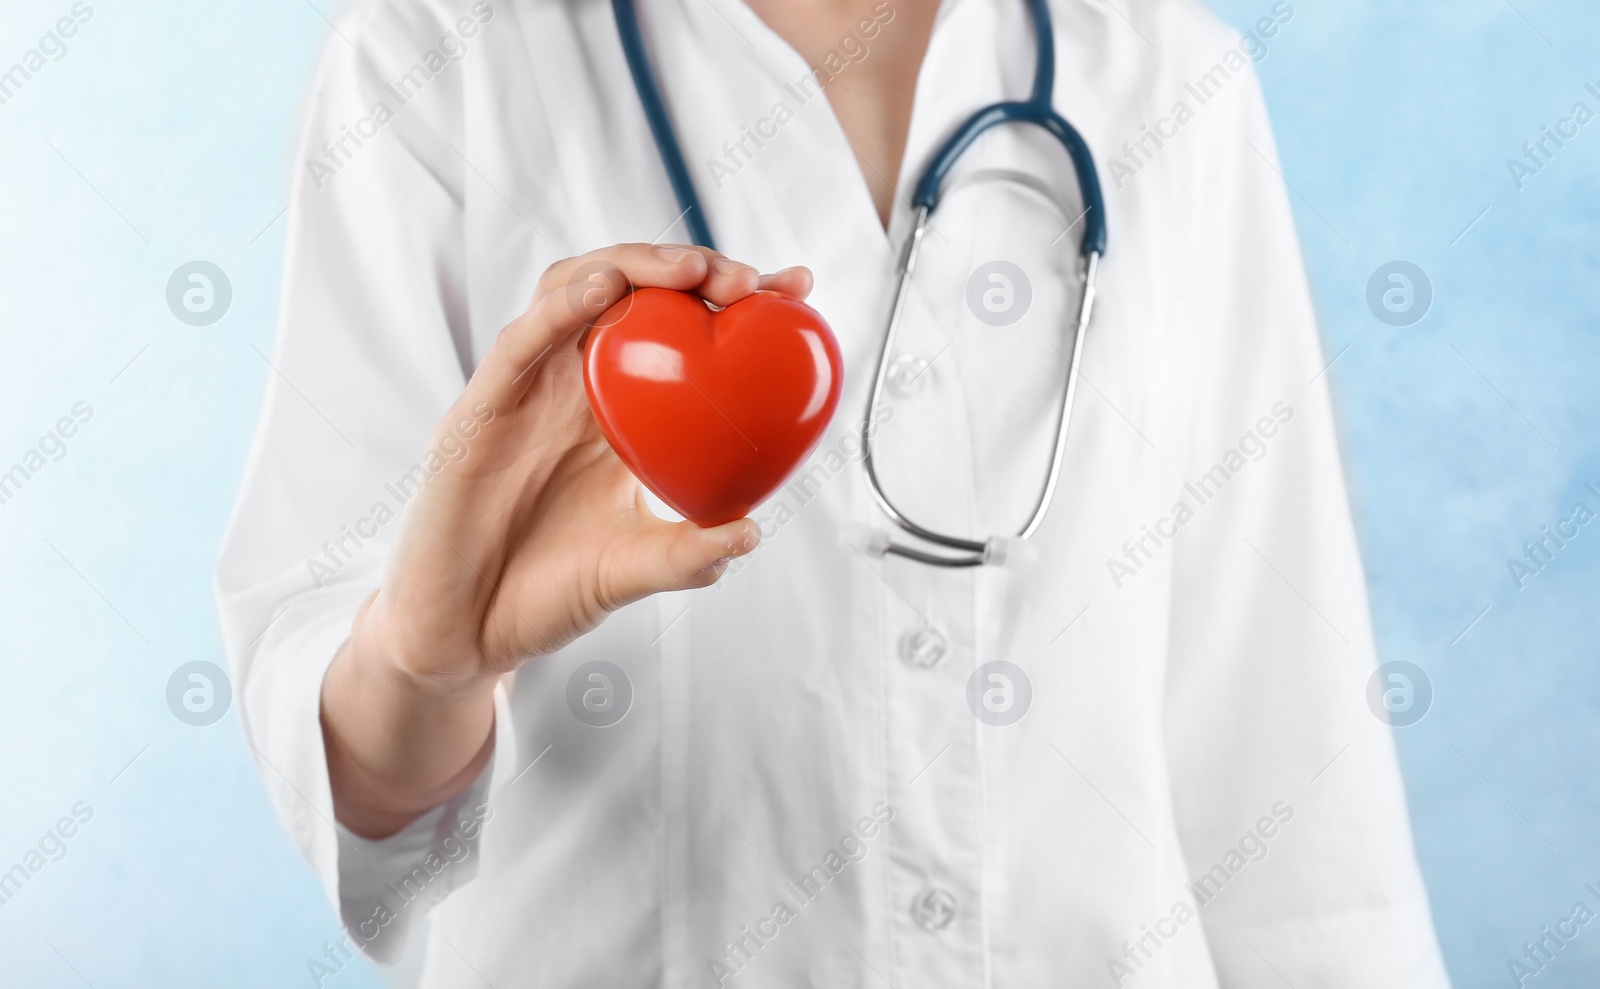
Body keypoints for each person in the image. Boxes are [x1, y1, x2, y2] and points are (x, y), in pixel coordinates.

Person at [216, 0, 1453, 984]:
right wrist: (427, 664)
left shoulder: (1172, 77)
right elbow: (365, 798)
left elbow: (1287, 756)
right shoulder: (435, 57)